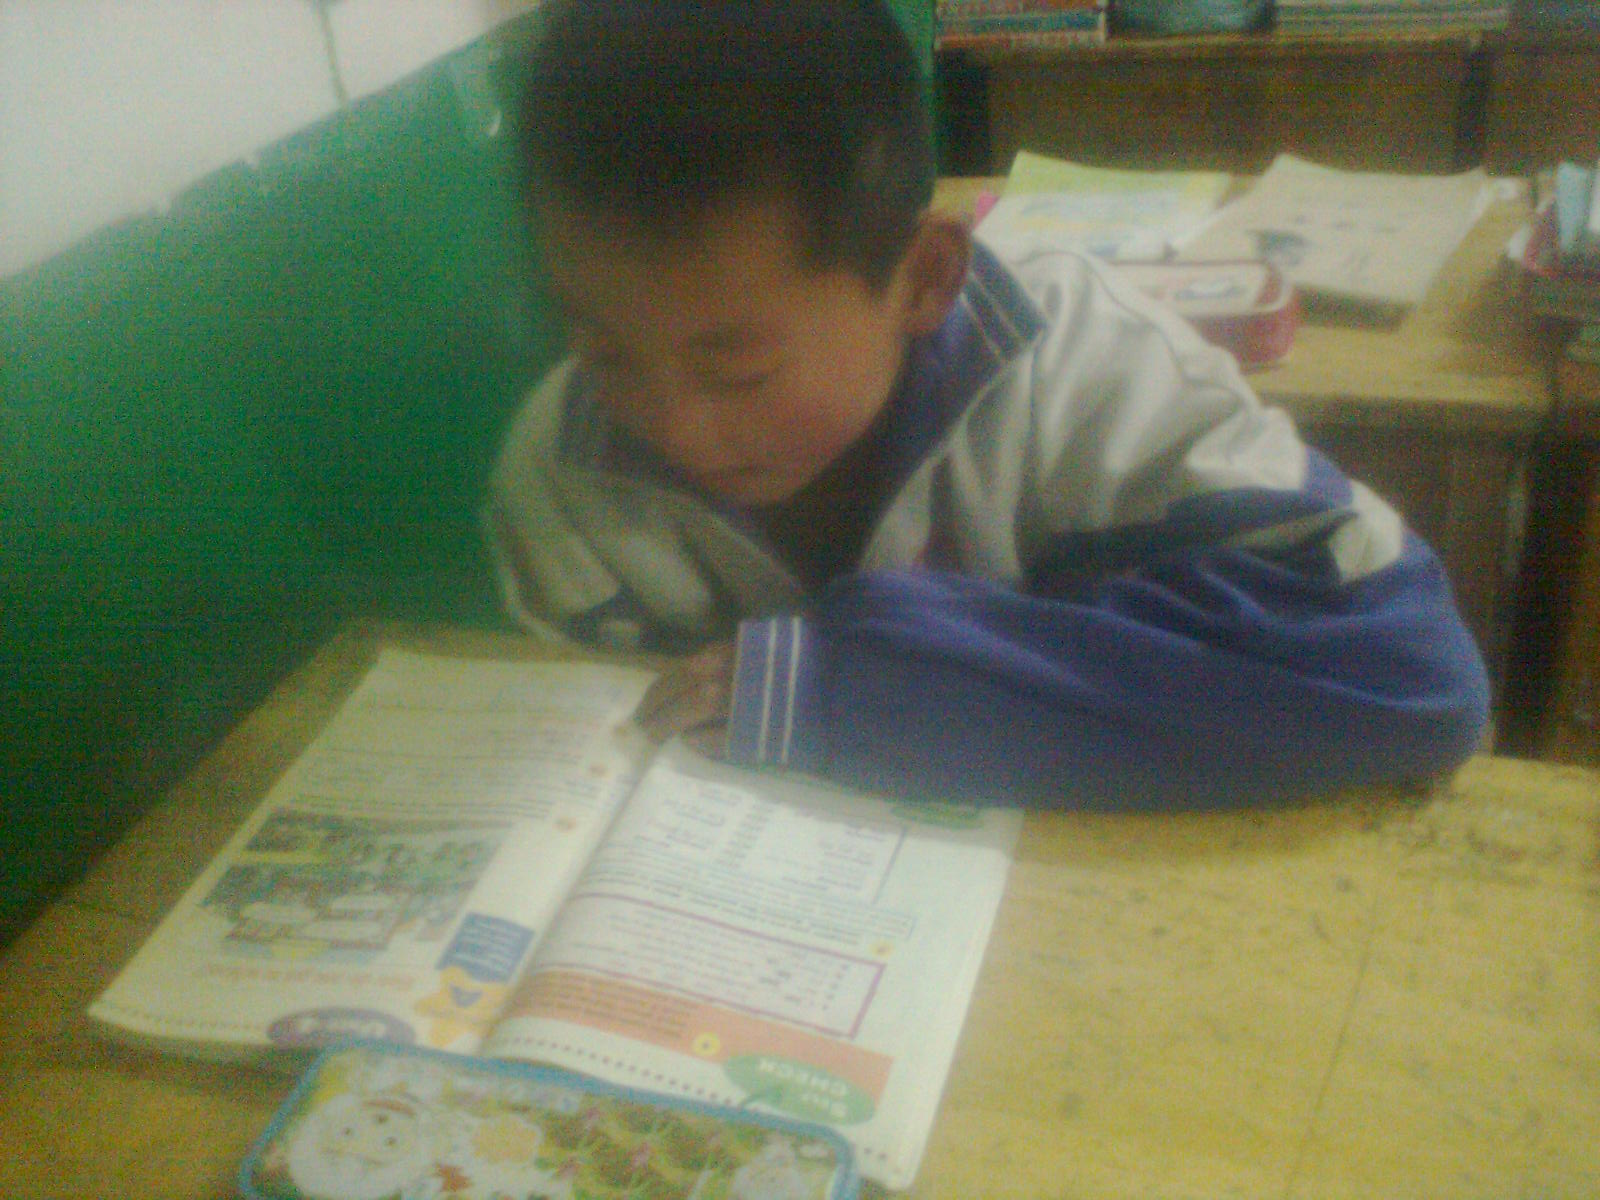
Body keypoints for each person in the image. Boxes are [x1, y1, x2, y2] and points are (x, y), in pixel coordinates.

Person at [484, 0, 1489, 808]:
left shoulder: (1085, 373)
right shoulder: (560, 467)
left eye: (736, 370)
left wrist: (851, 689)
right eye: (603, 351)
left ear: (926, 277)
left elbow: (1410, 672)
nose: (670, 428)